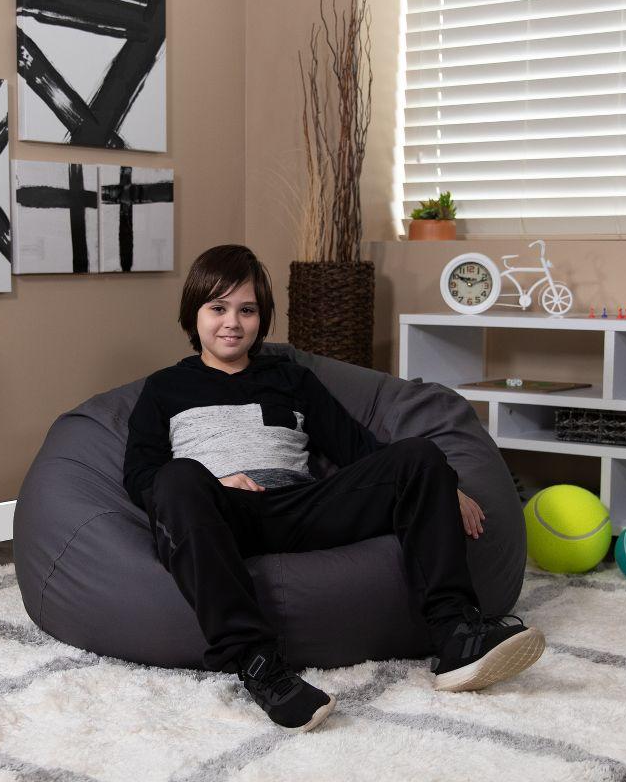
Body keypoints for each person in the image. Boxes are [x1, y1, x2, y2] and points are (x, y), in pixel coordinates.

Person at [123, 244, 545, 734]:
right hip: (220, 514)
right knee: (176, 478)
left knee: (419, 455)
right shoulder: (164, 388)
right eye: (217, 308)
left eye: (247, 309)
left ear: (263, 317)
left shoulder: (291, 379)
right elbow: (141, 476)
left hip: (299, 508)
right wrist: (213, 482)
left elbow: (362, 450)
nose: (231, 323)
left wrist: (442, 486)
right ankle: (261, 667)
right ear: (192, 315)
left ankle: (455, 633)